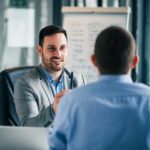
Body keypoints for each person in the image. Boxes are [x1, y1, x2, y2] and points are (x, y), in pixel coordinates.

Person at [48, 26, 150, 150]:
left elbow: (56, 147)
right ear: (134, 62)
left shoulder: (70, 102)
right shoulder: (147, 100)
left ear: (94, 60)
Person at [14, 25, 85, 127]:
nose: (58, 54)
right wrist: (53, 111)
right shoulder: (25, 84)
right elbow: (28, 126)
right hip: (42, 142)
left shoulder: (77, 79)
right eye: (51, 48)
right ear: (40, 50)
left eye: (62, 48)